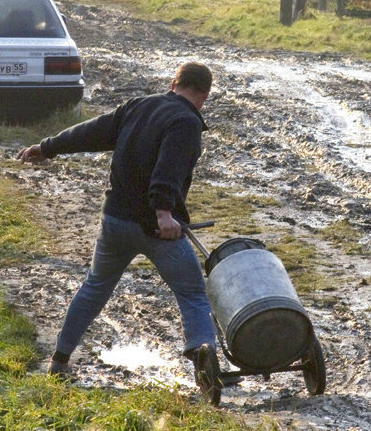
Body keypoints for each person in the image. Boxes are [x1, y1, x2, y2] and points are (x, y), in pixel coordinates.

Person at [16, 61, 221, 398]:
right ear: (205, 94)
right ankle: (203, 358)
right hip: (157, 228)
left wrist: (47, 146)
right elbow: (167, 169)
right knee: (193, 294)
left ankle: (60, 360)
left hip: (115, 222)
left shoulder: (139, 106)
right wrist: (164, 213)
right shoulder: (185, 122)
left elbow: (92, 131)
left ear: (174, 83)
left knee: (95, 287)